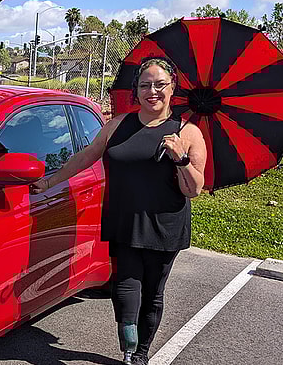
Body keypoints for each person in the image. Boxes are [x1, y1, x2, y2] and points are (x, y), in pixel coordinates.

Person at [29, 57, 207, 365]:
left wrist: (180, 158)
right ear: (136, 90)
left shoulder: (188, 133)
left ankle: (140, 354)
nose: (152, 91)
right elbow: (86, 156)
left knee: (152, 292)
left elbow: (194, 188)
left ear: (172, 88)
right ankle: (128, 343)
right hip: (124, 220)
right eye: (145, 85)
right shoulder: (117, 125)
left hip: (164, 226)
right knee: (124, 287)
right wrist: (49, 181)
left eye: (160, 84)